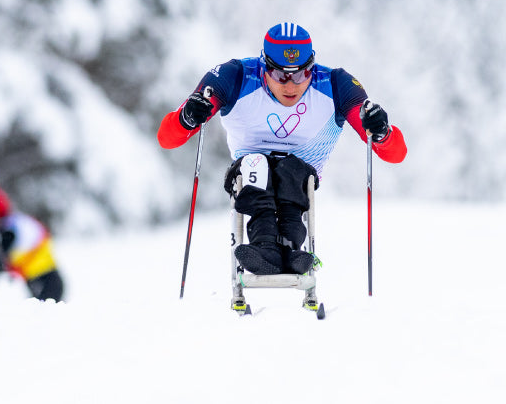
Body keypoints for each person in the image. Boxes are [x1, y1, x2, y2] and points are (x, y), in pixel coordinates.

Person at [157, 22, 407, 276]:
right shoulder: (235, 76)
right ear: (263, 66)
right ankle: (263, 246)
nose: (291, 86)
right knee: (257, 164)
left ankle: (290, 247)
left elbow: (396, 154)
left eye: (300, 75)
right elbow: (167, 138)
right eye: (280, 76)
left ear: (312, 68)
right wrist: (188, 117)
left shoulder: (336, 84)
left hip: (300, 177)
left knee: (292, 168)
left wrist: (381, 131)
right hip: (248, 172)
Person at [0, 184, 64, 302]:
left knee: (42, 314)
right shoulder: (15, 222)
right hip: (43, 277)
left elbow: (0, 260)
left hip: (43, 280)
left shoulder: (10, 230)